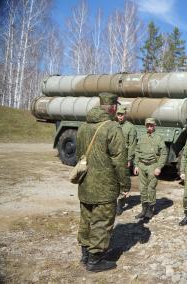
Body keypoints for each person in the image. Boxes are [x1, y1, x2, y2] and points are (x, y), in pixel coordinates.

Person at [76, 93, 131, 272]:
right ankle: (95, 260)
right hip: (104, 187)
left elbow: (79, 155)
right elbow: (120, 161)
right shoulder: (112, 127)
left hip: (85, 184)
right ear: (114, 107)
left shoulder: (83, 126)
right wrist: (125, 185)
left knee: (86, 219)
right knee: (102, 222)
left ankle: (85, 255)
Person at [133, 117, 167, 219]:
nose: (149, 127)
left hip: (153, 165)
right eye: (147, 125)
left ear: (154, 126)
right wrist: (136, 165)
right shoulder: (142, 137)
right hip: (142, 165)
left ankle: (150, 209)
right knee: (142, 188)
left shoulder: (159, 138)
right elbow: (137, 152)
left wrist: (159, 167)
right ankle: (144, 209)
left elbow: (164, 153)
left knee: (151, 188)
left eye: (151, 125)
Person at [115, 106, 137, 216]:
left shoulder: (130, 128)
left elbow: (133, 145)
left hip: (124, 157)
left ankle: (121, 203)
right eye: (118, 114)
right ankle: (113, 201)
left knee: (123, 180)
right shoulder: (114, 126)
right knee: (114, 179)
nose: (120, 116)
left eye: (121, 114)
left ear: (125, 115)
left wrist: (129, 159)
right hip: (114, 157)